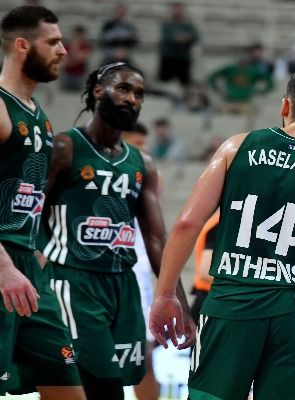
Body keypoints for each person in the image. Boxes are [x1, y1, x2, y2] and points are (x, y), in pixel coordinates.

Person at [149, 65, 295, 400]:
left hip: (232, 301)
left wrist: (165, 294)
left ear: (285, 105)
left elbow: (186, 224)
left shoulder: (236, 147)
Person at [41, 62, 195, 400]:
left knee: (121, 379)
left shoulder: (142, 163)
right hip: (75, 281)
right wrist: (35, 263)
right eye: (123, 89)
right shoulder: (65, 147)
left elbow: (156, 238)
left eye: (138, 94)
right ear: (98, 91)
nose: (131, 99)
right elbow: (33, 213)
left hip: (123, 286)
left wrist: (177, 300)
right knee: (101, 386)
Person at [0, 6, 86, 399]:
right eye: (53, 42)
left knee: (67, 386)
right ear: (22, 45)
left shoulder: (39, 115)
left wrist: (34, 250)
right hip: (3, 264)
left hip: (28, 268)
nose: (63, 51)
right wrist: (4, 266)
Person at [121, 122, 161, 400]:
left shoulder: (148, 179)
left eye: (146, 144)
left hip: (139, 280)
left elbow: (156, 236)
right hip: (98, 276)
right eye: (138, 144)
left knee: (144, 359)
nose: (145, 150)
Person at [158, 2, 199, 86]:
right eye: (175, 9)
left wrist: (182, 38)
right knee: (164, 83)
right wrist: (183, 38)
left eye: (179, 9)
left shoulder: (189, 25)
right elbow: (168, 37)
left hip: (183, 58)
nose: (177, 12)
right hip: (168, 58)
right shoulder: (167, 24)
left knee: (185, 83)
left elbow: (195, 37)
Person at [60, 25, 92, 92]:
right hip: (67, 73)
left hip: (79, 74)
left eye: (79, 35)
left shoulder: (86, 46)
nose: (77, 37)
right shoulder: (66, 46)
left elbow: (81, 59)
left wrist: (74, 48)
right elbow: (65, 62)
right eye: (76, 35)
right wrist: (75, 59)